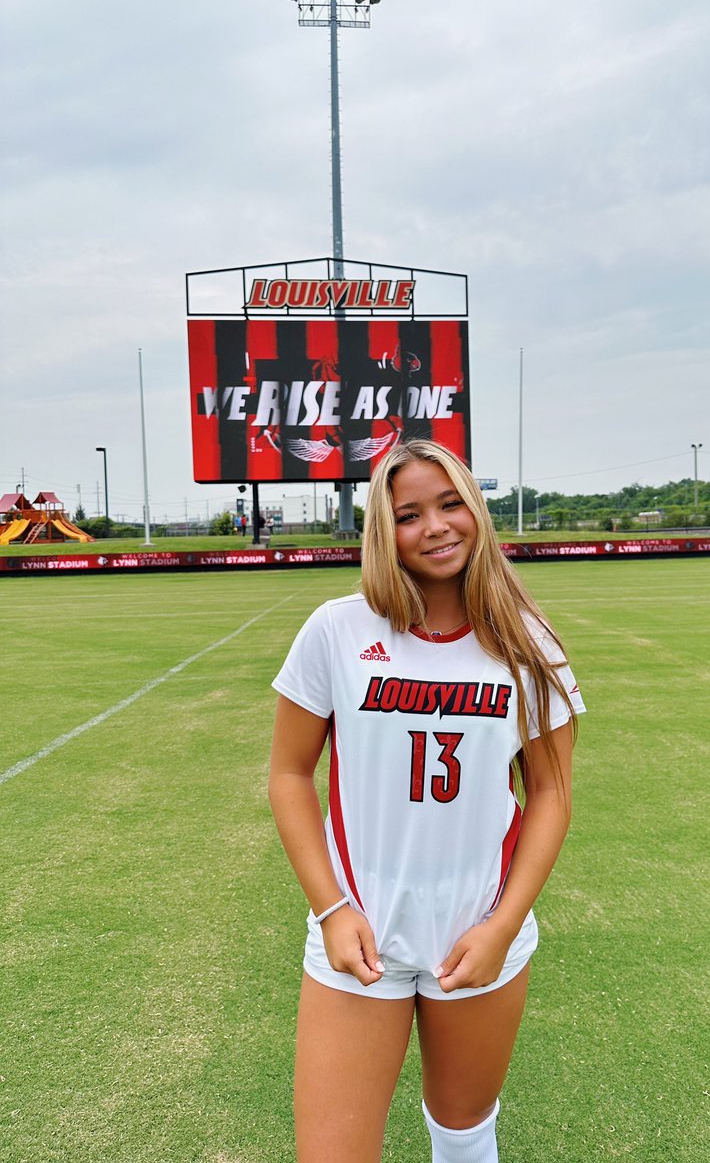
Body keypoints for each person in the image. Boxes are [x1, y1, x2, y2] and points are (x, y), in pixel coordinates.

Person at [268, 438, 585, 1162]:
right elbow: (289, 775)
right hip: (360, 939)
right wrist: (331, 907)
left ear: (476, 509)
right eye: (409, 514)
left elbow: (551, 794)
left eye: (450, 505)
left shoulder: (528, 644)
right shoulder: (338, 630)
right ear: (385, 531)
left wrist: (502, 927)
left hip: (476, 935)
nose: (436, 527)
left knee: (464, 1137)